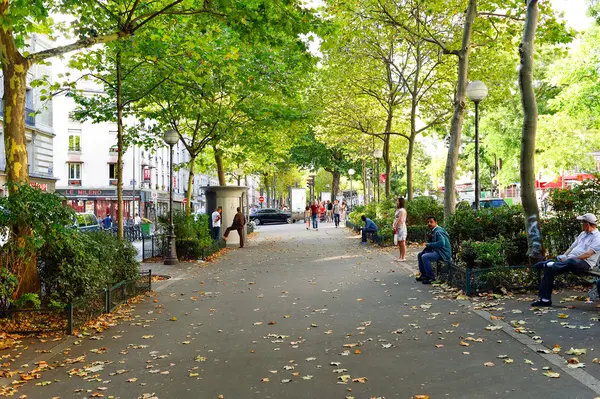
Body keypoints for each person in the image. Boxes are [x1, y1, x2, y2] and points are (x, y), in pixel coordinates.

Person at [531, 213, 600, 307]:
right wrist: (564, 256)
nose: (581, 224)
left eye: (582, 222)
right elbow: (571, 248)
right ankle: (545, 300)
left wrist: (569, 258)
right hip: (569, 261)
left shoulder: (597, 237)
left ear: (587, 224)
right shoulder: (582, 234)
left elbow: (587, 255)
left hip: (585, 263)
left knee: (572, 262)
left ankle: (549, 263)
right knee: (548, 270)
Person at [417, 216, 451, 285]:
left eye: (431, 222)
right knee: (420, 254)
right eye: (428, 222)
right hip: (438, 251)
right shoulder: (434, 231)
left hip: (442, 253)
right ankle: (423, 275)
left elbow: (441, 243)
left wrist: (429, 244)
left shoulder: (438, 231)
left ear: (436, 222)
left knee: (425, 257)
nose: (429, 223)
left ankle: (430, 277)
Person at [393, 197, 408, 261]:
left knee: (402, 242)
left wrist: (395, 225)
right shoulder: (398, 210)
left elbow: (400, 219)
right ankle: (400, 256)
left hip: (401, 227)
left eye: (397, 201)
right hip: (397, 227)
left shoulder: (402, 210)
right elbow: (396, 219)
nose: (396, 202)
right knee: (399, 242)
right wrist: (394, 225)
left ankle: (403, 257)